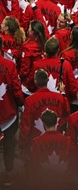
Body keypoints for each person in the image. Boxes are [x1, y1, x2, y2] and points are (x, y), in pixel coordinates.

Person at [19, 69, 70, 155]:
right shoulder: (60, 98)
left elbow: (26, 124)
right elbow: (66, 113)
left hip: (36, 142)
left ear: (35, 82)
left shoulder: (30, 100)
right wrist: (59, 127)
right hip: (56, 140)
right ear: (47, 80)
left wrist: (22, 142)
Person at [0, 36, 24, 186]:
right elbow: (16, 89)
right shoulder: (9, 65)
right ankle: (8, 174)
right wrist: (21, 103)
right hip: (8, 113)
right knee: (9, 146)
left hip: (8, 114)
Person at [29, 109, 73, 190]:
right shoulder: (67, 140)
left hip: (44, 181)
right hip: (63, 181)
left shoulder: (37, 141)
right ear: (56, 122)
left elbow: (33, 164)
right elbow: (71, 161)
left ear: (43, 123)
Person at [26, 36, 78, 102]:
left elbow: (30, 85)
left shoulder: (37, 65)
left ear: (45, 49)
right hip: (60, 103)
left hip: (41, 102)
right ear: (58, 50)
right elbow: (73, 88)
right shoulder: (66, 65)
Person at [20, 20, 46, 92]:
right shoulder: (44, 44)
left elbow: (25, 68)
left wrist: (22, 80)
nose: (28, 30)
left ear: (33, 32)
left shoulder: (27, 47)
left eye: (29, 28)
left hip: (28, 85)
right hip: (42, 82)